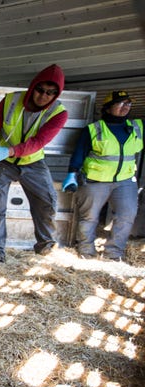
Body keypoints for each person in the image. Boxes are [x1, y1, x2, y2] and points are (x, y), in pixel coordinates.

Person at [0, 64, 68, 263]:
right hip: (2, 161)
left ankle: (44, 247)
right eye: (40, 90)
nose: (44, 96)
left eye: (51, 93)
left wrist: (10, 150)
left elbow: (38, 142)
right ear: (33, 86)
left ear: (56, 94)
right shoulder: (11, 100)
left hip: (32, 161)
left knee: (47, 202)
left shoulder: (59, 113)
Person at [62, 90, 143, 261]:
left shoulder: (137, 127)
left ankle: (113, 254)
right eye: (121, 103)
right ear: (107, 108)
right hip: (95, 181)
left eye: (128, 103)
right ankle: (86, 251)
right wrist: (71, 174)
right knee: (89, 217)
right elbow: (79, 154)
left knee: (126, 215)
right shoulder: (93, 129)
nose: (126, 106)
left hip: (125, 181)